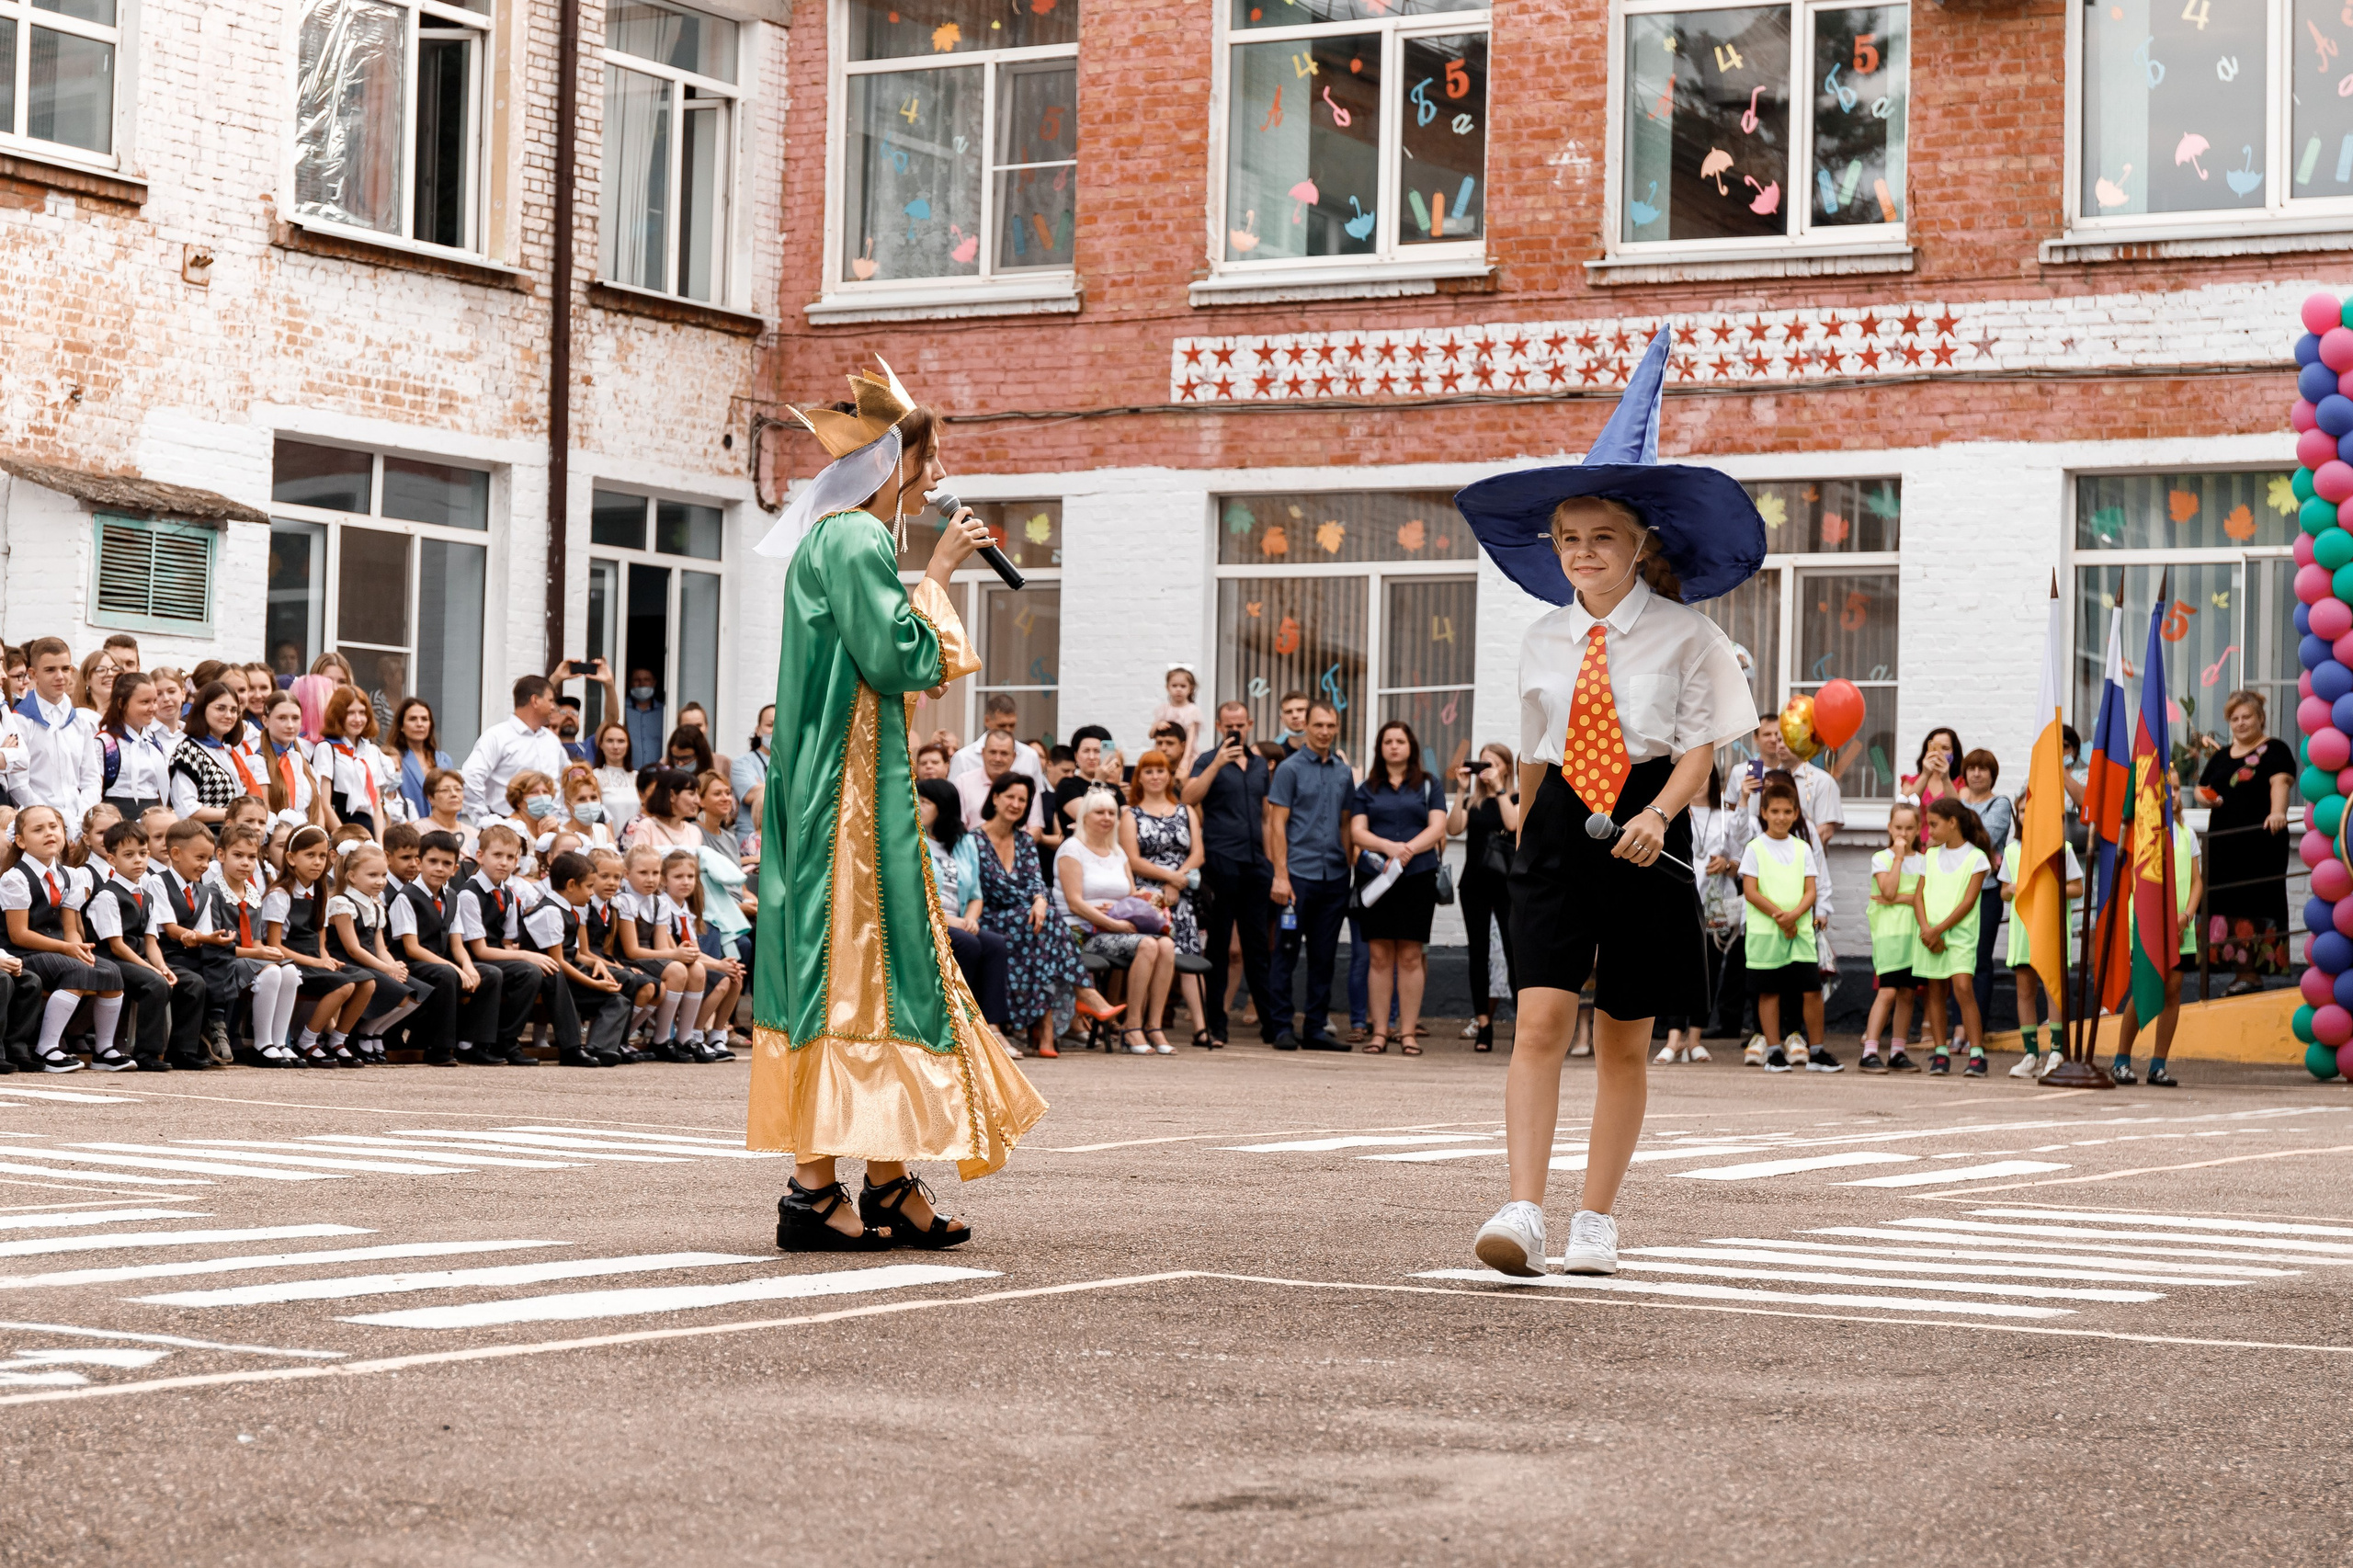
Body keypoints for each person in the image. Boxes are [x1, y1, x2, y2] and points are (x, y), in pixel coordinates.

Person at [1455, 327, 1765, 1279]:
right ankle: (1522, 1207)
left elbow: (1703, 748)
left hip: (1643, 820)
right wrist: (1519, 815)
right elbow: (1541, 739)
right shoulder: (1541, 637)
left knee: (1625, 1033)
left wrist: (1659, 815)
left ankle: (1594, 1216)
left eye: (1600, 537)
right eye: (1567, 538)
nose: (1582, 552)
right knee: (1539, 1018)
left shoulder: (1687, 635)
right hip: (1553, 830)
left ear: (1640, 545)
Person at [749, 357, 1046, 1250]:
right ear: (892, 464)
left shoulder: (846, 541)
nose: (934, 470)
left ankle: (883, 1180)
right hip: (842, 793)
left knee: (874, 970)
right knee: (849, 969)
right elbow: (898, 658)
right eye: (926, 454)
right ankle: (815, 1191)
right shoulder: (852, 540)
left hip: (845, 787)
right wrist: (942, 570)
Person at [975, 772, 1118, 1058]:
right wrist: (1033, 903)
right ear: (995, 798)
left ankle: (1048, 1032)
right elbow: (989, 889)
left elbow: (1036, 881)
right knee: (1046, 923)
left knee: (1043, 923)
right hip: (990, 917)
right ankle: (1079, 1000)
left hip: (1028, 919)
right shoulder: (973, 840)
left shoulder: (1025, 840)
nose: (1016, 804)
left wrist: (1039, 899)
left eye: (1022, 800)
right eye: (1010, 797)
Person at [1184, 699, 1279, 1049]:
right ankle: (1216, 1025)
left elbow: (1267, 817)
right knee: (1220, 947)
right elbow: (1187, 796)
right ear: (1219, 726)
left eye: (1240, 725)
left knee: (1258, 948)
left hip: (1256, 865)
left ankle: (1271, 1025)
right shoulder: (1208, 760)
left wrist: (1272, 865)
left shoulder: (1258, 767)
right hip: (1221, 862)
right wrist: (1216, 765)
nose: (1234, 730)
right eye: (1228, 725)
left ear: (1250, 724)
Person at [1059, 788, 1177, 1054]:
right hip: (1082, 931)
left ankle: (1154, 1025)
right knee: (1147, 945)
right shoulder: (1071, 849)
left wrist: (1147, 898)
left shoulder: (1118, 852)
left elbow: (1130, 894)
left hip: (1118, 929)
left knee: (1166, 945)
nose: (1106, 817)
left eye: (1112, 813)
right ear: (1085, 816)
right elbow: (1074, 902)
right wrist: (1111, 921)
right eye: (1099, 812)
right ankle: (1131, 1026)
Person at [1267, 700, 1353, 1051]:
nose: (1324, 732)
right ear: (1307, 727)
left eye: (1330, 726)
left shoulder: (1343, 772)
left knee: (1324, 956)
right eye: (1318, 725)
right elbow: (1276, 824)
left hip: (1333, 876)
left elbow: (1347, 822)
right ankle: (1281, 1027)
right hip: (1297, 876)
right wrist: (1280, 876)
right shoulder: (1289, 769)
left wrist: (1348, 865)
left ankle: (1316, 1028)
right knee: (1286, 952)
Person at [2196, 689, 2294, 994]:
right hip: (2223, 844)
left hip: (2260, 844)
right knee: (2223, 903)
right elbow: (2201, 789)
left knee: (2253, 904)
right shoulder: (2221, 756)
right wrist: (2206, 799)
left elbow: (2281, 781)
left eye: (2246, 716)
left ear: (2260, 718)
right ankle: (2239, 973)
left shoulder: (2275, 749)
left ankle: (2250, 974)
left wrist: (2278, 812)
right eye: (2234, 718)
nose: (2240, 723)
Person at [84, 820, 197, 1071]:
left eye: (143, 853)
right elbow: (116, 946)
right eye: (129, 855)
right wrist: (151, 970)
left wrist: (162, 966)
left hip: (138, 959)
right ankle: (146, 1053)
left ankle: (182, 1051)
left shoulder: (146, 896)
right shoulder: (108, 895)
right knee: (154, 984)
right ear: (112, 860)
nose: (138, 860)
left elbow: (150, 941)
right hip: (112, 960)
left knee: (185, 981)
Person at [261, 824, 372, 1067]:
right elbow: (274, 945)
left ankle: (337, 1039)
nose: (317, 862)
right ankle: (307, 1040)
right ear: (291, 858)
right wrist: (317, 962)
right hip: (291, 962)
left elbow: (320, 941)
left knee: (367, 982)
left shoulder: (321, 892)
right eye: (310, 855)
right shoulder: (281, 894)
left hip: (314, 959)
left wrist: (326, 959)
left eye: (322, 856)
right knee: (344, 986)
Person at [917, 777, 1014, 1055]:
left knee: (995, 943)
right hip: (927, 920)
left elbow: (975, 895)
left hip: (959, 920)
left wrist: (971, 918)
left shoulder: (964, 842)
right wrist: (951, 921)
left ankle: (991, 1026)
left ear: (943, 807)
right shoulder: (913, 839)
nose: (918, 806)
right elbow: (912, 895)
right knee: (968, 944)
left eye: (925, 802)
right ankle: (960, 1022)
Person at [1738, 781, 1831, 1072]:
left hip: (1799, 933)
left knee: (1811, 990)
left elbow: (1811, 890)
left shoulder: (1803, 848)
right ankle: (1774, 1050)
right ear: (1763, 812)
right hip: (1766, 934)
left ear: (1795, 814)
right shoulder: (1754, 848)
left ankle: (1816, 1051)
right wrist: (1782, 917)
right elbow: (1751, 891)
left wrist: (1795, 918)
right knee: (1769, 992)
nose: (1780, 817)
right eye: (1774, 811)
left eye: (1787, 811)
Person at [1120, 749, 1207, 1048]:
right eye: (1149, 771)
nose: (1155, 776)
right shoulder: (1130, 814)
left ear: (1169, 776)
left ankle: (1201, 1027)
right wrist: (1168, 879)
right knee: (1153, 955)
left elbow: (1198, 853)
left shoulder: (1186, 811)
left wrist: (1178, 880)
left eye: (1161, 771)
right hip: (1147, 899)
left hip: (1181, 895)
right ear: (1139, 778)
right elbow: (1132, 859)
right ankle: (1140, 1024)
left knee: (1189, 955)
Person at [2112, 812, 2201, 1088]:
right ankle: (2121, 1060)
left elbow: (2197, 881)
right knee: (2145, 987)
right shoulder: (2141, 830)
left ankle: (2158, 1065)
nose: (2172, 793)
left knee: (2173, 990)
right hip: (2147, 924)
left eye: (2176, 787)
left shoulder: (2188, 833)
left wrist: (2186, 916)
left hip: (2180, 927)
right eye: (2168, 786)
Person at [324, 840, 428, 1065]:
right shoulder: (342, 903)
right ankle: (342, 1037)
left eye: (383, 874)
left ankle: (371, 1032)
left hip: (371, 962)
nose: (380, 881)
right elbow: (352, 948)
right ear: (352, 876)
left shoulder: (376, 906)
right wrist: (385, 969)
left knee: (416, 993)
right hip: (349, 962)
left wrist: (395, 966)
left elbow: (380, 947)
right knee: (399, 995)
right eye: (372, 875)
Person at [452, 823, 547, 1067]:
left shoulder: (509, 894)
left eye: (510, 857)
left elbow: (506, 942)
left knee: (531, 974)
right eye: (497, 855)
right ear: (480, 856)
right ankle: (474, 1043)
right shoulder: (469, 894)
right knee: (511, 971)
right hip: (471, 958)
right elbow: (479, 950)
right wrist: (526, 956)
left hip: (494, 954)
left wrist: (519, 955)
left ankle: (507, 1039)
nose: (503, 862)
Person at [1449, 742, 1523, 1054]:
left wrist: (1499, 789)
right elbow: (1453, 829)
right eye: (1482, 764)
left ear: (1506, 767)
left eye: (1492, 764)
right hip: (1474, 885)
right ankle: (1484, 1024)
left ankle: (1523, 1026)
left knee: (1513, 953)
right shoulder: (1473, 802)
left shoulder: (1517, 797)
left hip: (1507, 886)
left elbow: (1512, 824)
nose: (1486, 770)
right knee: (1477, 954)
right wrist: (1461, 791)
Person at [1913, 796, 1994, 1076]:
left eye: (1933, 825)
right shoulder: (1931, 856)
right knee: (1934, 992)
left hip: (1958, 936)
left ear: (1953, 823)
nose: (1929, 831)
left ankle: (1976, 1053)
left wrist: (1938, 930)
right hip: (1930, 937)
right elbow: (1918, 898)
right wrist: (1926, 930)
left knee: (1962, 988)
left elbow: (1968, 902)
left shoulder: (1976, 858)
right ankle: (1940, 1052)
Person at [2000, 819, 2083, 1079]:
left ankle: (2056, 1050)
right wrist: (2012, 889)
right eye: (2022, 810)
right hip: (2023, 930)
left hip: (2050, 929)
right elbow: (2004, 891)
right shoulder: (2013, 850)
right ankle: (2031, 1055)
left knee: (2053, 990)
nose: (2027, 815)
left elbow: (2077, 888)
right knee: (2024, 991)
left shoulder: (2062, 849)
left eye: (2031, 810)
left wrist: (2048, 889)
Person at [387, 827, 473, 1067]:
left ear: (455, 869)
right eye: (432, 861)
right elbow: (412, 947)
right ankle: (439, 1048)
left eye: (447, 863)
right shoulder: (406, 896)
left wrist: (467, 966)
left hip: (437, 963)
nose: (439, 868)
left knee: (490, 973)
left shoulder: (452, 896)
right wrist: (455, 968)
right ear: (419, 862)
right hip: (410, 964)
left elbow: (456, 943)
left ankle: (477, 1043)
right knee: (447, 974)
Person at [1858, 802, 1924, 1073]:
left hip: (1914, 937)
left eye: (1910, 828)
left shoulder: (1924, 860)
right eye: (1898, 827)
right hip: (1889, 937)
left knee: (1908, 994)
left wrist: (1904, 899)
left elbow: (1923, 898)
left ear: (1918, 829)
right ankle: (1870, 1050)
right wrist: (1898, 857)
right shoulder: (1882, 858)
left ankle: (1898, 1051)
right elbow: (1887, 891)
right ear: (1889, 828)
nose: (1903, 834)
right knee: (1887, 991)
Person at [1953, 748, 2014, 1039]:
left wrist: (1957, 835)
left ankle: (1975, 1029)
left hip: (1987, 892)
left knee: (1980, 959)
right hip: (1955, 892)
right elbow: (1943, 837)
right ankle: (1958, 1027)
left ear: (1993, 774)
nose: (1977, 773)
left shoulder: (2000, 804)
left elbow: (1983, 839)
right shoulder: (1958, 803)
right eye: (1972, 768)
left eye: (1983, 768)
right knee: (1957, 961)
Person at [10, 637, 101, 821]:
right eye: (50, 670)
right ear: (33, 674)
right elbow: (18, 785)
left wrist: (80, 820)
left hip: (78, 822)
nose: (60, 677)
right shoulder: (20, 720)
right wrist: (54, 821)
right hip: (39, 822)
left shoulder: (79, 722)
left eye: (65, 669)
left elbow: (91, 779)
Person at [460, 676, 569, 825]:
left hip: (548, 828)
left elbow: (567, 779)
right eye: (550, 700)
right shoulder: (497, 736)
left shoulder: (552, 740)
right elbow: (471, 776)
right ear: (535, 700)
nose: (554, 707)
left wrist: (563, 818)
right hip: (507, 828)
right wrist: (485, 820)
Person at [169, 680, 258, 824]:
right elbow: (186, 809)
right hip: (205, 837)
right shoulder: (187, 752)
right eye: (220, 708)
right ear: (202, 709)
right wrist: (236, 813)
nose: (228, 715)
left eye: (234, 710)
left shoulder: (229, 751)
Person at [315, 686, 393, 836]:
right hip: (340, 825)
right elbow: (324, 803)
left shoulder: (371, 751)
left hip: (367, 827)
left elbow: (376, 806)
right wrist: (345, 839)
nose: (357, 719)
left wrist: (379, 844)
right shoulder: (327, 748)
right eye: (350, 713)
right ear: (338, 715)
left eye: (362, 713)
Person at [97, 672, 172, 820]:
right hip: (118, 820)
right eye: (145, 702)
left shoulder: (154, 745)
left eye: (154, 701)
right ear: (121, 703)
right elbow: (94, 790)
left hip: (151, 819)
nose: (153, 708)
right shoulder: (106, 743)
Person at [257, 691, 329, 831]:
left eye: (295, 718)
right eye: (282, 718)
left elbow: (318, 809)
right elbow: (263, 810)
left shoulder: (303, 762)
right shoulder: (258, 762)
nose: (290, 725)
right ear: (265, 721)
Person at [955, 728, 1041, 833]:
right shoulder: (963, 782)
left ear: (1014, 756)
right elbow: (958, 826)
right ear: (983, 753)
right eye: (992, 752)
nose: (997, 759)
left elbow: (1035, 828)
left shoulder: (1026, 785)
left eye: (1004, 753)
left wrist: (1016, 846)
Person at [388, 698, 452, 821]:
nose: (419, 724)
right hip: (408, 830)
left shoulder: (444, 759)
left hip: (444, 832)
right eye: (412, 719)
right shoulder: (393, 760)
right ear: (401, 725)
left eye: (424, 719)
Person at [1900, 726, 1963, 841]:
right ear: (1926, 750)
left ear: (1954, 753)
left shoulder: (1961, 783)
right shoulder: (1911, 781)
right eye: (1934, 747)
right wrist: (1925, 774)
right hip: (1915, 846)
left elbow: (1960, 813)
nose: (1939, 753)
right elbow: (1905, 808)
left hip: (1947, 846)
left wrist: (1945, 779)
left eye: (1945, 748)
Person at [627, 767, 703, 851]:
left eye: (698, 794)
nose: (697, 801)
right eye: (691, 794)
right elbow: (638, 861)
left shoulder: (694, 832)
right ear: (671, 795)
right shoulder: (648, 827)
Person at [1151, 665, 1204, 776]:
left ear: (1191, 688)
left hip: (1186, 753)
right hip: (1164, 752)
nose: (1178, 689)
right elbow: (1151, 735)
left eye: (1183, 686)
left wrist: (1185, 760)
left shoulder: (1192, 711)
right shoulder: (1163, 709)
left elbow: (1191, 739)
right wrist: (1157, 726)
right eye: (1174, 686)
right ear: (1167, 687)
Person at [590, 722, 640, 835]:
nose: (615, 746)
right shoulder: (594, 776)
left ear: (628, 745)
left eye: (621, 741)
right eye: (610, 741)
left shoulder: (638, 777)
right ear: (601, 744)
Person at [732, 704, 775, 816]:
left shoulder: (795, 764)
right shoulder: (742, 763)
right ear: (758, 730)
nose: (775, 731)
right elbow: (751, 795)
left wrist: (764, 787)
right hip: (752, 831)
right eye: (770, 725)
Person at [622, 667, 666, 771]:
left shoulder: (664, 712)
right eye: (636, 680)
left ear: (654, 682)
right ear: (629, 683)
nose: (642, 684)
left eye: (647, 680)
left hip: (658, 774)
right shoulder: (621, 709)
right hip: (628, 772)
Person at [73, 648, 116, 716]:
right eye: (101, 670)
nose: (110, 674)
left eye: (115, 669)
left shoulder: (129, 716)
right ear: (86, 679)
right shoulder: (78, 717)